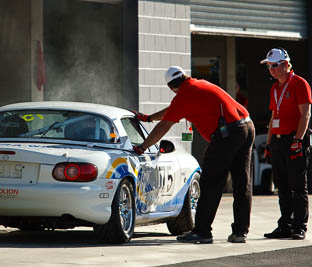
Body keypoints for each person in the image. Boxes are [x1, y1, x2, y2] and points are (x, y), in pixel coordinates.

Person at [132, 66, 255, 244]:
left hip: (228, 134)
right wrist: (149, 118)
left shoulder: (184, 95)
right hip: (246, 126)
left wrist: (143, 147)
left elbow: (165, 125)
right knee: (242, 182)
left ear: (171, 88)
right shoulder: (198, 85)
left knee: (210, 182)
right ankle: (240, 232)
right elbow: (171, 111)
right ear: (185, 76)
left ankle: (202, 232)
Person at [261, 48, 311, 240]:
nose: (271, 70)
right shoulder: (275, 88)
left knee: (298, 186)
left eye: (274, 65)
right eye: (269, 66)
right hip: (278, 141)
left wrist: (298, 140)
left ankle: (300, 226)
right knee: (281, 186)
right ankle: (286, 224)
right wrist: (268, 143)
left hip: (294, 139)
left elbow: (305, 114)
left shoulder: (299, 84)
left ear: (285, 65)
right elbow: (274, 116)